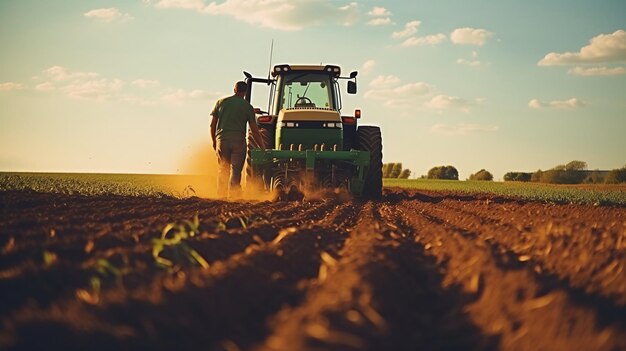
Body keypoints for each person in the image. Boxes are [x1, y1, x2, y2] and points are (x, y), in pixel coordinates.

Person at [210, 81, 265, 198]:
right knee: (236, 170)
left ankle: (221, 196)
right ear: (245, 92)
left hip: (222, 140)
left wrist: (214, 141)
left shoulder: (221, 103)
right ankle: (234, 196)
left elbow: (212, 125)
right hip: (238, 142)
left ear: (234, 89)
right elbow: (254, 130)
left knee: (223, 169)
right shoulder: (247, 107)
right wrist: (262, 146)